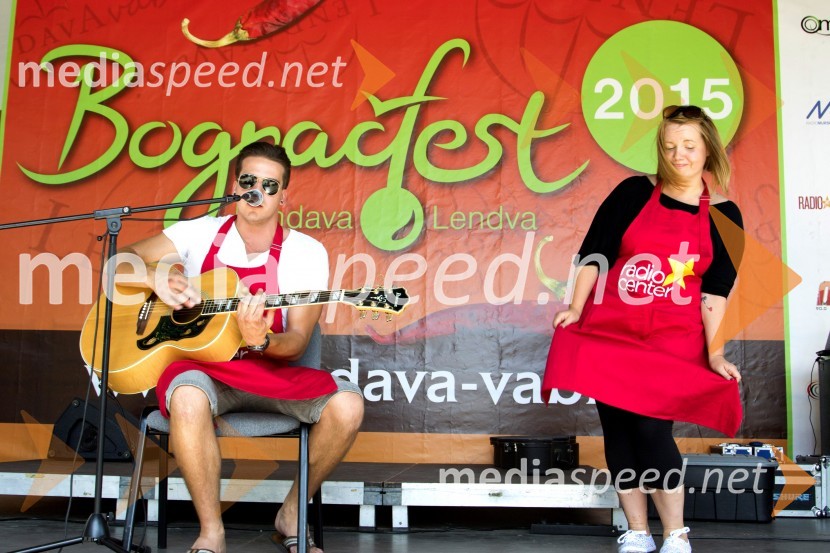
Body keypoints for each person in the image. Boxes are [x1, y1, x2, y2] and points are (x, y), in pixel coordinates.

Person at [119, 141, 364, 553]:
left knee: (349, 405)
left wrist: (262, 340)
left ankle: (291, 513)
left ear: (284, 196)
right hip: (206, 371)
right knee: (187, 396)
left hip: (272, 372)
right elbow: (122, 259)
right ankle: (211, 532)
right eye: (249, 181)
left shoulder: (306, 252)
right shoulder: (199, 233)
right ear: (235, 186)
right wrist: (154, 278)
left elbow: (297, 342)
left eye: (270, 185)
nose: (257, 192)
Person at [543, 105, 743, 553]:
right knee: (618, 430)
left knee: (652, 430)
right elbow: (594, 253)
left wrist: (714, 352)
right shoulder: (633, 192)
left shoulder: (726, 215)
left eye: (689, 146)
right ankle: (637, 531)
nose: (679, 155)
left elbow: (715, 290)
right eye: (670, 146)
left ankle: (675, 533)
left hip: (673, 339)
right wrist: (576, 308)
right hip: (611, 331)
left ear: (708, 149)